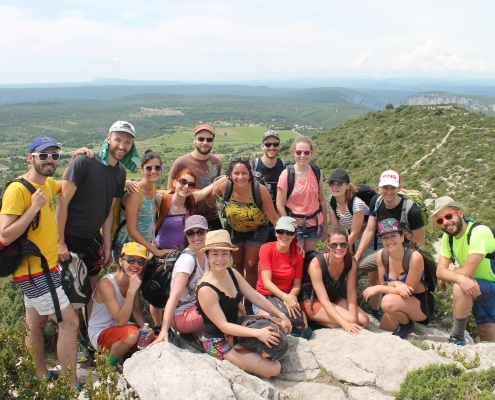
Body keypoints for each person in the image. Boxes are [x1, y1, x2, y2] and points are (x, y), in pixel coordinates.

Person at [0, 136, 80, 388]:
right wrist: (34, 208)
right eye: (43, 155)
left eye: (55, 156)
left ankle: (39, 375)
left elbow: (65, 185)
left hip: (45, 269)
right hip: (34, 272)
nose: (50, 160)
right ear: (30, 157)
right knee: (69, 322)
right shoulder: (18, 190)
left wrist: (76, 157)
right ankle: (71, 385)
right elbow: (4, 235)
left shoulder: (47, 184)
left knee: (34, 324)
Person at [57, 120, 137, 362]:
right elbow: (62, 202)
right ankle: (79, 347)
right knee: (68, 297)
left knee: (90, 293)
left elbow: (109, 211)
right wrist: (59, 242)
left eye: (127, 141)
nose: (122, 146)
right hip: (69, 237)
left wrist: (107, 245)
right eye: (118, 139)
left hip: (91, 240)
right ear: (108, 138)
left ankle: (94, 341)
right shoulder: (84, 162)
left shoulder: (120, 172)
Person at [195, 230, 291, 378]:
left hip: (237, 327)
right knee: (274, 368)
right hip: (218, 340)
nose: (220, 259)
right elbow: (223, 326)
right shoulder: (206, 289)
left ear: (230, 255)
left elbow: (255, 297)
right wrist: (257, 333)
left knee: (279, 330)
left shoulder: (231, 272)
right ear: (207, 256)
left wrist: (280, 314)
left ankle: (249, 348)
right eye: (215, 254)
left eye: (225, 253)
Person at [354, 169, 426, 320]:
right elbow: (370, 230)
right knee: (357, 268)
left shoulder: (412, 211)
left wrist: (407, 263)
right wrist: (357, 256)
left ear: (399, 188)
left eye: (393, 187)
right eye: (385, 187)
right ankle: (375, 310)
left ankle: (404, 313)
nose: (389, 191)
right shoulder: (377, 201)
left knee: (401, 284)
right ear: (379, 187)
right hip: (386, 249)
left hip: (406, 254)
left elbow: (420, 243)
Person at [432, 196, 495, 344]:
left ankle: (457, 336)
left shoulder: (479, 232)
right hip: (479, 289)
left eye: (448, 216)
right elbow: (439, 271)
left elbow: (466, 273)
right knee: (488, 340)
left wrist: (451, 276)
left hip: (488, 286)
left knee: (460, 286)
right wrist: (447, 275)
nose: (445, 222)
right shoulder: (448, 239)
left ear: (460, 213)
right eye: (440, 220)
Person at [212, 156, 279, 290]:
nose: (240, 177)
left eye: (244, 173)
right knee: (237, 263)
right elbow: (208, 197)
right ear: (230, 175)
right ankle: (237, 295)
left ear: (250, 175)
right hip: (233, 229)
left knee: (251, 265)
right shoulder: (225, 186)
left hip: (256, 230)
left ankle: (249, 298)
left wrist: (288, 236)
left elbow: (274, 218)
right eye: (236, 173)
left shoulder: (259, 190)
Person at [363, 218, 434, 338]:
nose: (389, 241)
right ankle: (404, 324)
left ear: (402, 238)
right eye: (384, 237)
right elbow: (384, 282)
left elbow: (409, 290)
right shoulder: (382, 255)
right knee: (384, 333)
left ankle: (407, 325)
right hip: (397, 301)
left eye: (393, 236)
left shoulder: (414, 257)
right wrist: (397, 284)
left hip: (420, 304)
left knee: (386, 302)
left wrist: (380, 288)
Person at [88, 242, 153, 368]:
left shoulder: (133, 281)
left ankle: (126, 359)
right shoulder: (107, 284)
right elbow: (121, 320)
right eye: (131, 260)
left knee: (153, 340)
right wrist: (131, 291)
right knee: (132, 335)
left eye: (140, 262)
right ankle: (107, 367)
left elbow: (137, 311)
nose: (135, 265)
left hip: (121, 330)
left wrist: (146, 330)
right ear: (121, 261)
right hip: (100, 331)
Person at [299, 228, 369, 333]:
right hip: (311, 300)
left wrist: (354, 319)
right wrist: (345, 324)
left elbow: (351, 292)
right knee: (349, 320)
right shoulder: (317, 263)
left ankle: (325, 322)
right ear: (328, 246)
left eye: (343, 245)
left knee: (364, 321)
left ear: (347, 245)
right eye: (334, 245)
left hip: (332, 298)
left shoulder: (351, 263)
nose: (339, 248)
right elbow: (324, 300)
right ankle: (314, 321)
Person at [152, 215, 209, 344]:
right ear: (185, 235)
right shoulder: (187, 260)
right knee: (223, 303)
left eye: (200, 232)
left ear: (207, 232)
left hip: (194, 308)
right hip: (181, 316)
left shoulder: (206, 254)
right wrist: (164, 330)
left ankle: (200, 333)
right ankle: (204, 337)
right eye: (191, 233)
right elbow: (173, 297)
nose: (196, 237)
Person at [255, 216, 312, 339]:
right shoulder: (266, 249)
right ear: (275, 232)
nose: (284, 235)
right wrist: (286, 298)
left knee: (303, 325)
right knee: (275, 324)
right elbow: (266, 282)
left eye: (289, 232)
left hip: (286, 296)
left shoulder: (297, 253)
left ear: (294, 235)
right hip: (264, 296)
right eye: (281, 231)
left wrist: (290, 298)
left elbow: (297, 284)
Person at [112, 149, 168, 261]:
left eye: (157, 167)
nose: (153, 171)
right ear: (141, 170)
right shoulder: (135, 194)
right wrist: (155, 251)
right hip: (128, 248)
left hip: (142, 247)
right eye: (149, 168)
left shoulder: (152, 188)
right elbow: (132, 230)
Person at [276, 136, 328, 252]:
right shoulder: (286, 175)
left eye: (306, 152)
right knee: (296, 259)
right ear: (293, 152)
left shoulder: (316, 172)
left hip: (314, 224)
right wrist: (287, 227)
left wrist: (325, 226)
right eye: (298, 152)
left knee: (309, 258)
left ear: (311, 153)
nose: (302, 155)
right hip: (294, 225)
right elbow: (280, 204)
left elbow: (322, 200)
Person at [167, 123, 222, 231]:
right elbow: (170, 191)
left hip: (211, 215)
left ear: (213, 142)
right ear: (194, 139)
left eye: (209, 140)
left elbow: (217, 190)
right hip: (187, 215)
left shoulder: (216, 162)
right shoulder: (181, 162)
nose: (205, 143)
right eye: (201, 139)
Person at [251, 130, 286, 242]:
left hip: (278, 220)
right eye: (268, 144)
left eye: (275, 144)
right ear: (262, 146)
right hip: (257, 222)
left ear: (279, 146)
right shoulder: (252, 166)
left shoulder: (285, 167)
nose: (272, 147)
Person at [327, 169, 369, 252]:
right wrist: (334, 246)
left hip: (370, 240)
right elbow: (335, 228)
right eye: (332, 183)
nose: (335, 187)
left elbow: (355, 232)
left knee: (361, 264)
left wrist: (339, 250)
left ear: (347, 186)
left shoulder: (357, 204)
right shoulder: (331, 200)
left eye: (339, 184)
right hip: (355, 239)